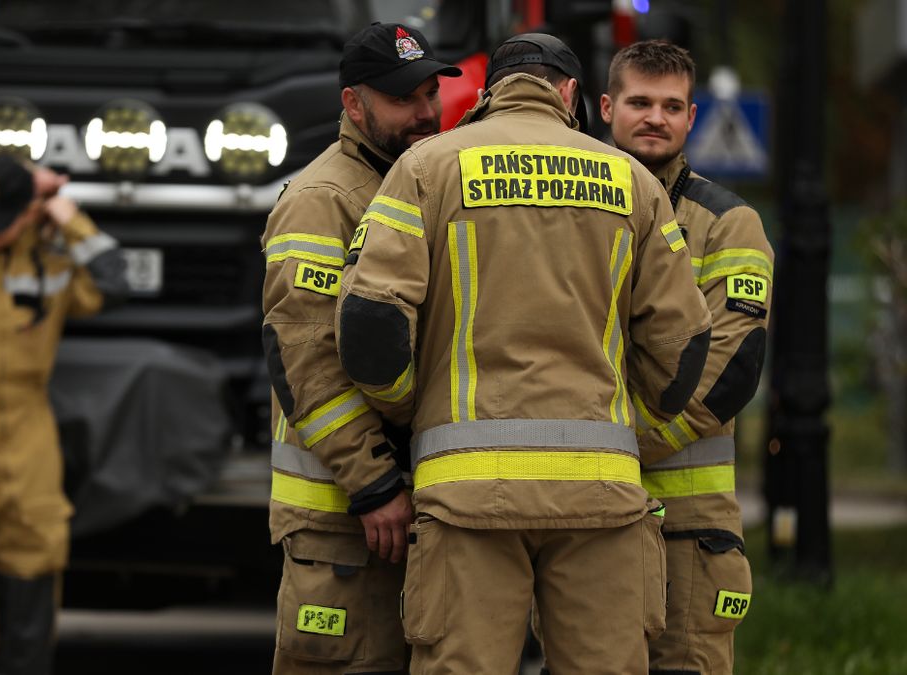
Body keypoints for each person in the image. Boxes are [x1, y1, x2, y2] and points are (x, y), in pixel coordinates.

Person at [335, 33, 714, 673]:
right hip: (602, 499)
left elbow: (370, 326)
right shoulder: (632, 182)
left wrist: (413, 407)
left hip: (467, 495)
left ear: (488, 95)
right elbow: (684, 344)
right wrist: (623, 429)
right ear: (570, 96)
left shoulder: (428, 168)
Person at [260, 22, 460, 675]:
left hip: (414, 512)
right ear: (354, 105)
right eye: (404, 97)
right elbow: (303, 357)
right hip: (342, 518)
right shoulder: (323, 200)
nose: (425, 112)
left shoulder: (419, 183)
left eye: (430, 92)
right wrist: (372, 483)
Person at [601, 39, 773, 674]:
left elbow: (731, 368)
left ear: (693, 117)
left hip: (686, 530)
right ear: (605, 107)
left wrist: (618, 450)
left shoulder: (728, 224)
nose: (655, 118)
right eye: (639, 102)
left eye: (671, 105)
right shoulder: (570, 213)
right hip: (585, 520)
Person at [0, 155, 128, 675]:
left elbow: (116, 279)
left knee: (31, 570)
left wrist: (66, 214)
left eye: (0, 221)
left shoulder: (53, 265)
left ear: (28, 212)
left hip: (23, 441)